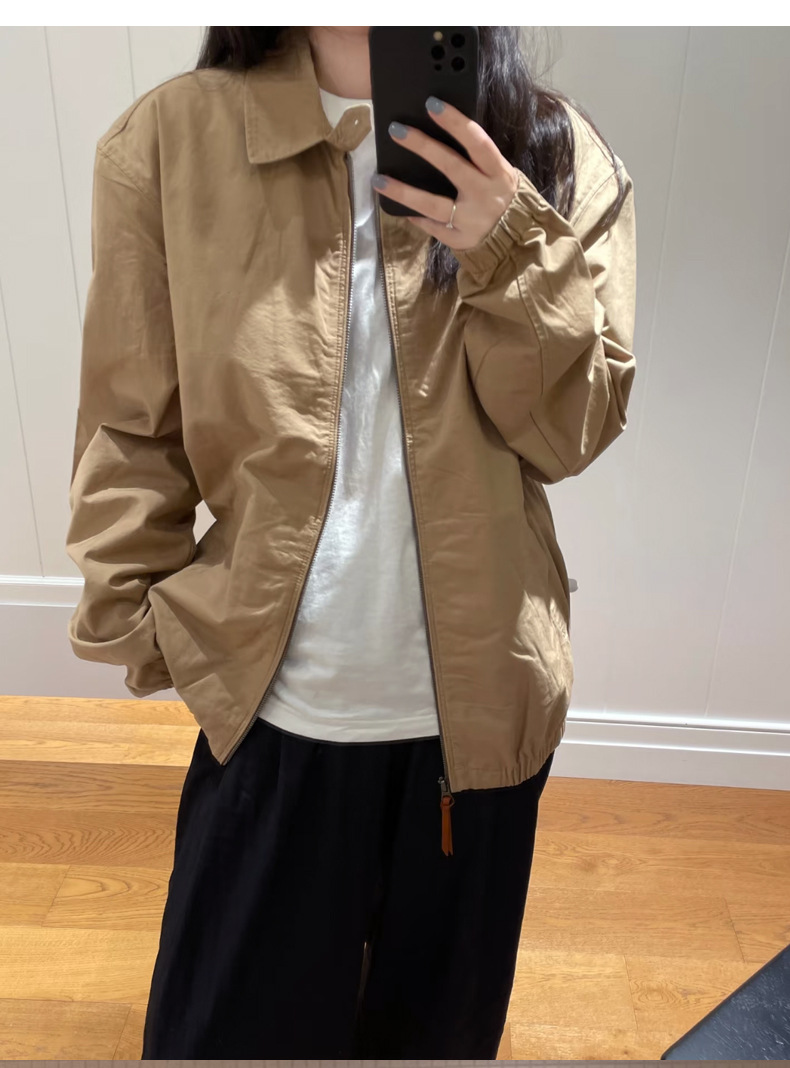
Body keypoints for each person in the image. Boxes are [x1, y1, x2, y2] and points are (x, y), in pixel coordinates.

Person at [65, 24, 637, 1059]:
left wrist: (508, 244)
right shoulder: (171, 141)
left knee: (431, 1040)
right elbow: (131, 426)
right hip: (273, 709)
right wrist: (159, 633)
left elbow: (571, 434)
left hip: (476, 732)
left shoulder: (555, 153)